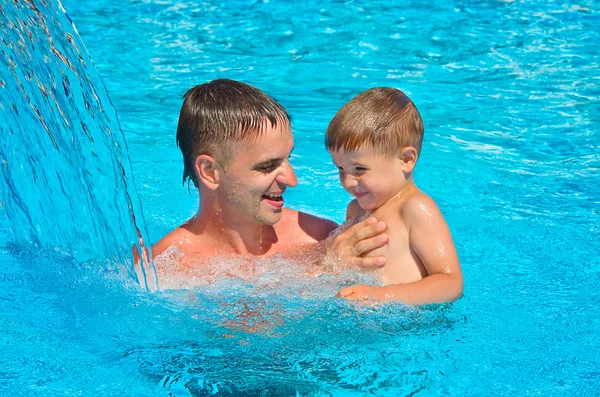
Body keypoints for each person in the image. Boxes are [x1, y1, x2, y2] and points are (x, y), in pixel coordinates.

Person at [152, 79, 389, 276]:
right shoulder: (168, 268)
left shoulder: (320, 237)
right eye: (268, 166)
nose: (292, 180)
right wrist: (324, 269)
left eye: (287, 159)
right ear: (209, 171)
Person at [325, 87, 463, 304]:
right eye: (340, 168)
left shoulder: (415, 209)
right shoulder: (355, 210)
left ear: (406, 159)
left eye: (359, 169)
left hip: (409, 329)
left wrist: (381, 296)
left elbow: (450, 282)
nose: (347, 181)